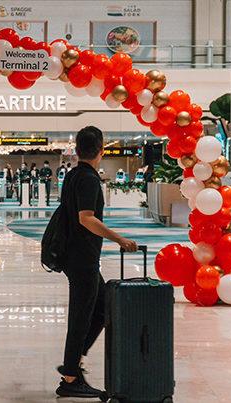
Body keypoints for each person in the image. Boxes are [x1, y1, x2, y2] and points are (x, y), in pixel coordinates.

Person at [55, 126, 137, 399]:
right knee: (81, 315)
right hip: (82, 257)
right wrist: (119, 239)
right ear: (101, 150)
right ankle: (70, 376)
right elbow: (86, 217)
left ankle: (73, 362)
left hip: (76, 255)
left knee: (101, 307)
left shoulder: (73, 175)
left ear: (77, 150)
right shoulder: (88, 179)